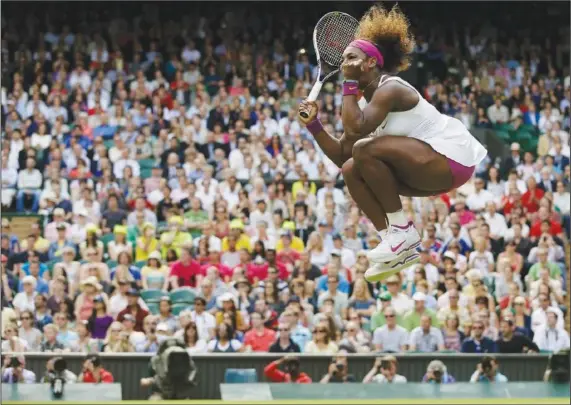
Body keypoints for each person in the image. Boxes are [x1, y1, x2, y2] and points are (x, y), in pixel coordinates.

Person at [298, 4, 487, 282]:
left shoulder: (391, 88)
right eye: (343, 58)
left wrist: (348, 85)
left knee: (363, 148)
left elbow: (357, 128)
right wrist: (314, 126)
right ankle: (396, 244)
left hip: (451, 159)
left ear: (371, 62)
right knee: (352, 168)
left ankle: (402, 231)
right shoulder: (365, 102)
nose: (343, 63)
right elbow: (342, 156)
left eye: (351, 57)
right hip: (429, 173)